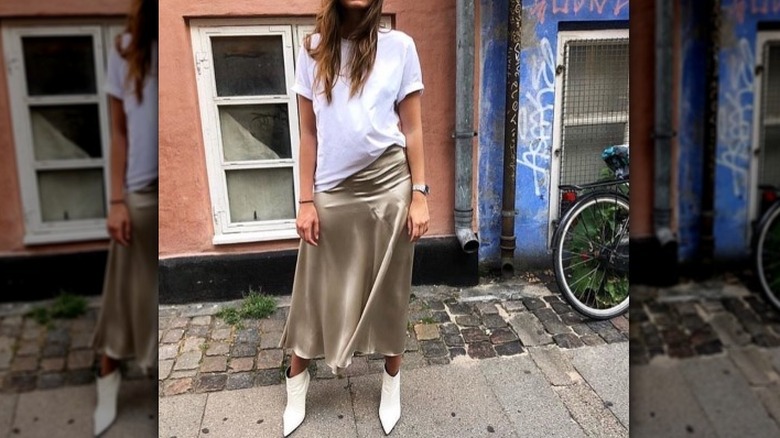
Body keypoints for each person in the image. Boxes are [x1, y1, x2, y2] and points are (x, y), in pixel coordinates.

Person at [278, 0, 429, 435]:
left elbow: (414, 128)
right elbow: (308, 132)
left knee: (391, 287)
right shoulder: (312, 49)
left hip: (389, 184)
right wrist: (305, 200)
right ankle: (297, 380)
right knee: (315, 285)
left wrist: (420, 193)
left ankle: (391, 382)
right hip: (332, 189)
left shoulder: (400, 46)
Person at [90, 0, 158, 435]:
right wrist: (115, 202)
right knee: (122, 297)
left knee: (155, 297)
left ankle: (155, 373)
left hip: (166, 192)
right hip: (137, 194)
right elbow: (118, 130)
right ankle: (107, 384)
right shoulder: (125, 50)